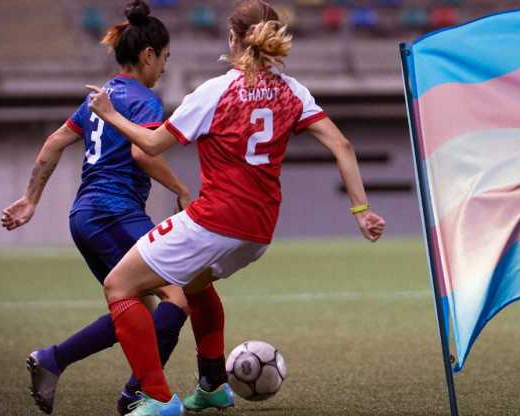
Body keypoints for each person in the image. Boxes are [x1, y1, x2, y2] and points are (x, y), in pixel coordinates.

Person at [86, 0, 386, 414]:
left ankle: (157, 399)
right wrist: (361, 210)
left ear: (233, 38)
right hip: (259, 232)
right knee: (194, 285)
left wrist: (109, 113)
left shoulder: (215, 91)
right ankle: (212, 384)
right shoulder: (293, 91)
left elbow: (152, 144)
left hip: (214, 221)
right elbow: (342, 145)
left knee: (118, 286)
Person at [1, 2, 191, 415]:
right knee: (176, 299)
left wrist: (32, 199)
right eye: (164, 59)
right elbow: (144, 155)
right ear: (147, 56)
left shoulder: (100, 97)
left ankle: (53, 361)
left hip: (83, 216)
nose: (163, 68)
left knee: (136, 309)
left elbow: (53, 144)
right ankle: (139, 395)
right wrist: (181, 189)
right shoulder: (145, 101)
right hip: (116, 212)